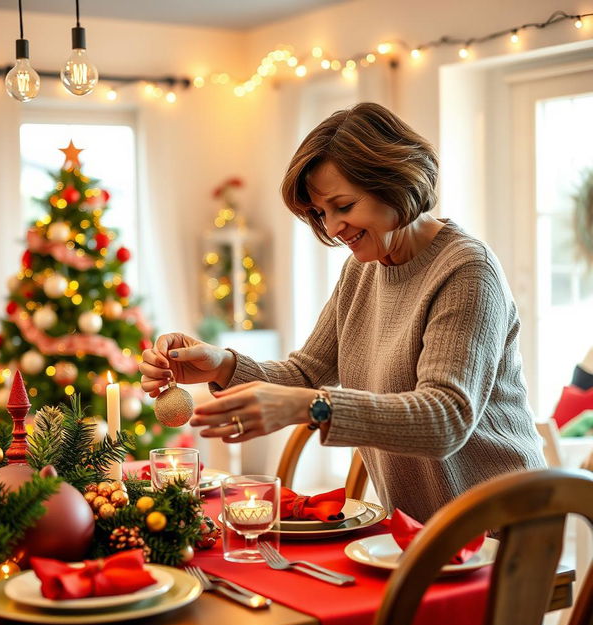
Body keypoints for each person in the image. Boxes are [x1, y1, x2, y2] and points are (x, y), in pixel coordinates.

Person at [140, 102, 545, 523]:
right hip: (421, 534)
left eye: (344, 206)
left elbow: (444, 418)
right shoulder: (362, 270)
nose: (332, 228)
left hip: (505, 532)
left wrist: (309, 407)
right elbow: (305, 373)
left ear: (395, 183)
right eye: (320, 213)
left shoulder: (465, 269)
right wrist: (221, 365)